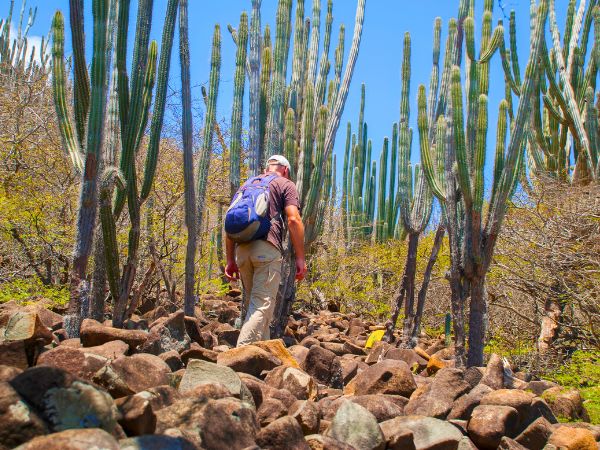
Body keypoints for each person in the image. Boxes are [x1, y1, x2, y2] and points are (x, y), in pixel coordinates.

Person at [225, 155, 308, 346]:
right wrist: (300, 258)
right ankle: (239, 357)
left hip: (242, 251)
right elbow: (294, 219)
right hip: (266, 249)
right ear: (285, 170)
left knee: (256, 307)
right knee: (262, 305)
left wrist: (230, 260)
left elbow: (229, 222)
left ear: (266, 169)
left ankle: (263, 359)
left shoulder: (247, 185)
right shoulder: (285, 184)